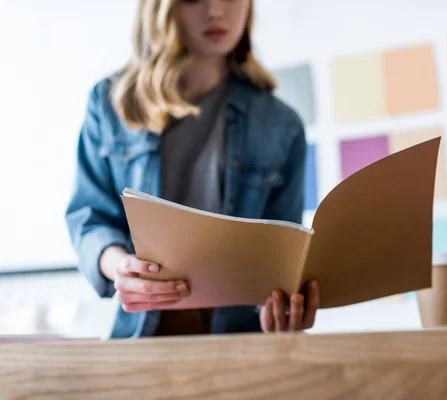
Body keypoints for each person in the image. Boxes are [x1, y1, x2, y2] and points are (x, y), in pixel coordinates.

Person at [65, 0, 320, 339]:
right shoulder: (110, 102)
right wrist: (120, 268)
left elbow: (283, 254)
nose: (215, 10)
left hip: (242, 348)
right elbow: (90, 219)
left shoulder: (282, 125)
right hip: (140, 342)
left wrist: (284, 310)